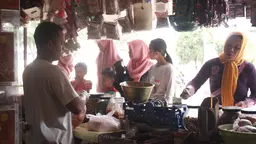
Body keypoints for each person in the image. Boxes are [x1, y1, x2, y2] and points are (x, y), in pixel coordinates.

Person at [22, 22, 86, 144]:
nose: (63, 48)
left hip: (34, 139)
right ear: (50, 44)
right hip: (55, 140)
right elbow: (77, 107)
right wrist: (83, 96)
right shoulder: (54, 71)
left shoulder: (28, 70)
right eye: (61, 43)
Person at [180, 32, 256, 108]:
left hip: (239, 112)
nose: (231, 50)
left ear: (242, 49)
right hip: (215, 111)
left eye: (237, 48)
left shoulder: (248, 68)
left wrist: (245, 103)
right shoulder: (212, 64)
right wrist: (189, 90)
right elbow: (196, 82)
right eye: (228, 45)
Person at [147, 38, 175, 103]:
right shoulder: (152, 68)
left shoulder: (169, 68)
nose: (148, 53)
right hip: (151, 104)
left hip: (162, 106)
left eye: (150, 50)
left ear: (157, 53)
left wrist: (167, 108)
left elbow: (169, 93)